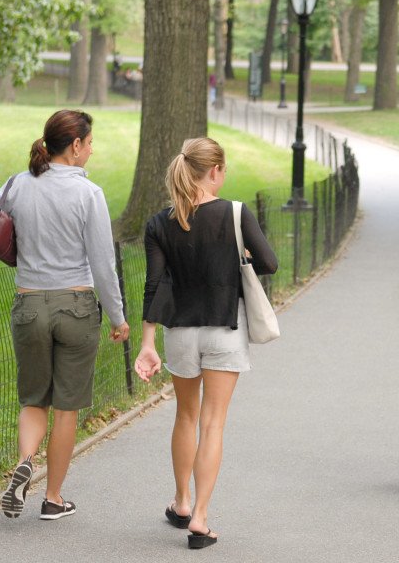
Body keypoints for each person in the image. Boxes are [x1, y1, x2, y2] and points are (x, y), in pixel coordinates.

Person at [0, 109, 130, 521]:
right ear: (75, 146)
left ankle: (25, 463)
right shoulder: (88, 195)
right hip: (76, 307)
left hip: (28, 304)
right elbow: (102, 264)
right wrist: (118, 316)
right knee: (67, 406)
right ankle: (53, 498)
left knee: (33, 400)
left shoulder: (16, 185)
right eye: (90, 143)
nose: (92, 150)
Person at [133, 137, 277, 549]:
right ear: (215, 171)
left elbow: (154, 285)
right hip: (224, 330)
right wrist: (238, 251)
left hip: (179, 331)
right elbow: (268, 263)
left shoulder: (160, 223)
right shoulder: (234, 213)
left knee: (185, 418)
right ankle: (199, 517)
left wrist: (148, 343)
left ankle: (180, 503)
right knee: (213, 424)